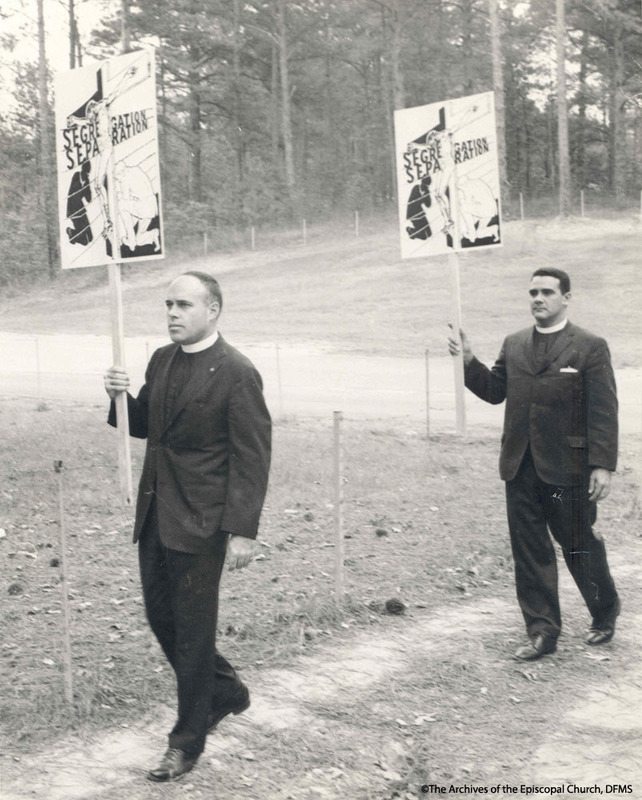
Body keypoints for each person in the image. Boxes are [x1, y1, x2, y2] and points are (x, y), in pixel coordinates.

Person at [104, 271, 271, 781]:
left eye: (183, 305)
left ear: (213, 309)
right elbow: (149, 425)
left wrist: (241, 530)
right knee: (162, 619)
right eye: (168, 305)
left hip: (202, 522)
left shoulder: (237, 371)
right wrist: (118, 396)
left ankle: (186, 742)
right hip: (157, 513)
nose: (172, 314)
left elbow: (252, 456)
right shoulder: (162, 359)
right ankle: (226, 690)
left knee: (194, 632)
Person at [448, 268, 620, 661]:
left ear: (566, 298)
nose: (538, 298)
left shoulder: (590, 347)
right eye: (533, 292)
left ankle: (604, 610)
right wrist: (469, 362)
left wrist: (602, 464)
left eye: (547, 292)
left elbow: (604, 411)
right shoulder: (514, 343)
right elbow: (495, 392)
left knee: (579, 546)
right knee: (529, 551)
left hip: (570, 470)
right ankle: (542, 631)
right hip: (519, 466)